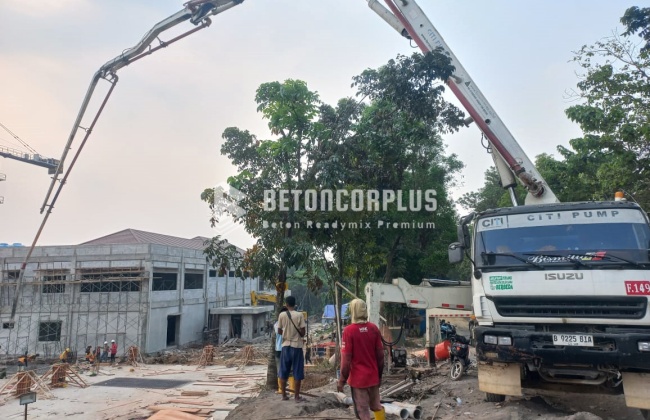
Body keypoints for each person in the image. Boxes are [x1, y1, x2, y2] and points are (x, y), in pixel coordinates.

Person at [337, 299, 385, 420]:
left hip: (359, 381)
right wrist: (379, 376)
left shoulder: (349, 331)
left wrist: (342, 380)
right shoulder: (373, 328)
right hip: (373, 376)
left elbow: (346, 360)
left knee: (362, 412)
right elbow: (380, 355)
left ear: (353, 311)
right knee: (376, 406)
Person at [277, 295, 306, 402]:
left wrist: (286, 333)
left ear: (286, 304)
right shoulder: (299, 315)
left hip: (285, 346)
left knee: (283, 371)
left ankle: (284, 395)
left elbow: (279, 331)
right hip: (296, 346)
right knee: (297, 372)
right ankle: (297, 397)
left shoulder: (282, 315)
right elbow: (303, 333)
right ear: (295, 304)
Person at [274, 307, 289, 394]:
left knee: (282, 369)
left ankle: (284, 389)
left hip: (280, 349)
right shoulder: (278, 325)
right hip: (283, 348)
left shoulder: (277, 324)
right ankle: (282, 389)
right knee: (283, 369)